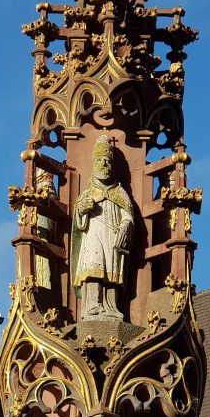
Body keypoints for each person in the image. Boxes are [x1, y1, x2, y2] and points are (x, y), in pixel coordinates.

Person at [71, 135, 133, 320]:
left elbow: (128, 215)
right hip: (93, 235)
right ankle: (91, 306)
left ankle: (111, 307)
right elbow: (78, 219)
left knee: (111, 268)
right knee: (93, 265)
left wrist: (125, 225)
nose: (104, 164)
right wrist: (82, 209)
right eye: (100, 160)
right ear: (94, 163)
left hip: (112, 237)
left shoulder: (119, 192)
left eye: (107, 161)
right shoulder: (88, 191)